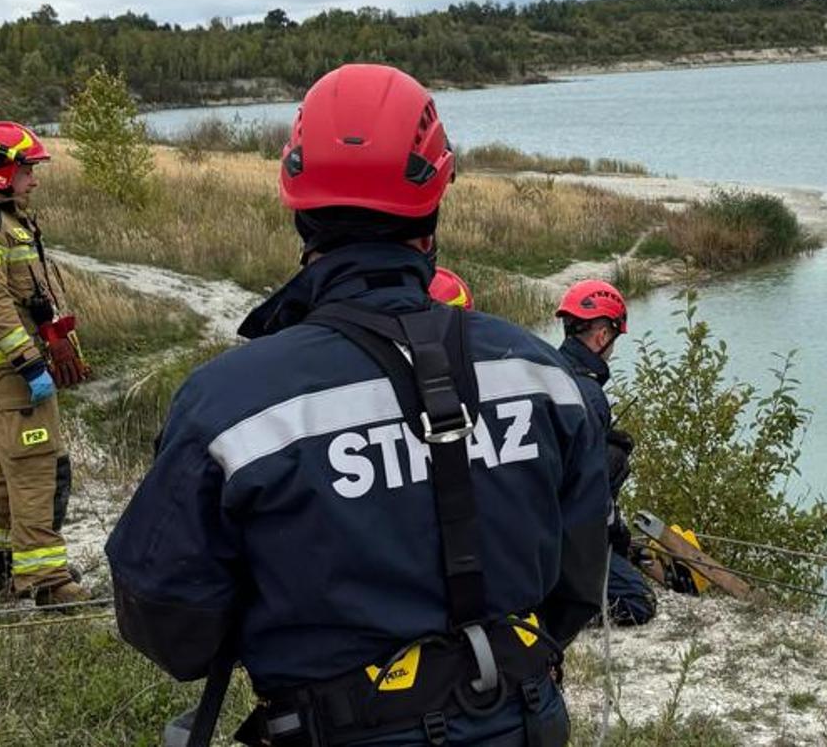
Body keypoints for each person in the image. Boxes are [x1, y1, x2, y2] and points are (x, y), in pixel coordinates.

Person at [105, 64, 610, 746]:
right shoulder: (543, 374)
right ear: (433, 207)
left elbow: (168, 624)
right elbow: (580, 582)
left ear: (300, 210)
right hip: (522, 717)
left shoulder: (229, 404)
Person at [0, 121, 86, 605]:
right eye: (28, 170)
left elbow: (26, 295)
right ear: (0, 171)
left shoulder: (4, 219)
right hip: (11, 370)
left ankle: (3, 558)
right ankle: (45, 579)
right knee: (36, 466)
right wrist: (28, 363)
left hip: (16, 367)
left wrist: (53, 341)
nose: (35, 180)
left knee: (11, 466)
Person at [556, 280, 657, 626]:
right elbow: (589, 485)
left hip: (534, 524)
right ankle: (556, 607)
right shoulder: (589, 393)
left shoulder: (546, 369)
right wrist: (616, 534)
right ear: (602, 336)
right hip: (563, 531)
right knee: (637, 602)